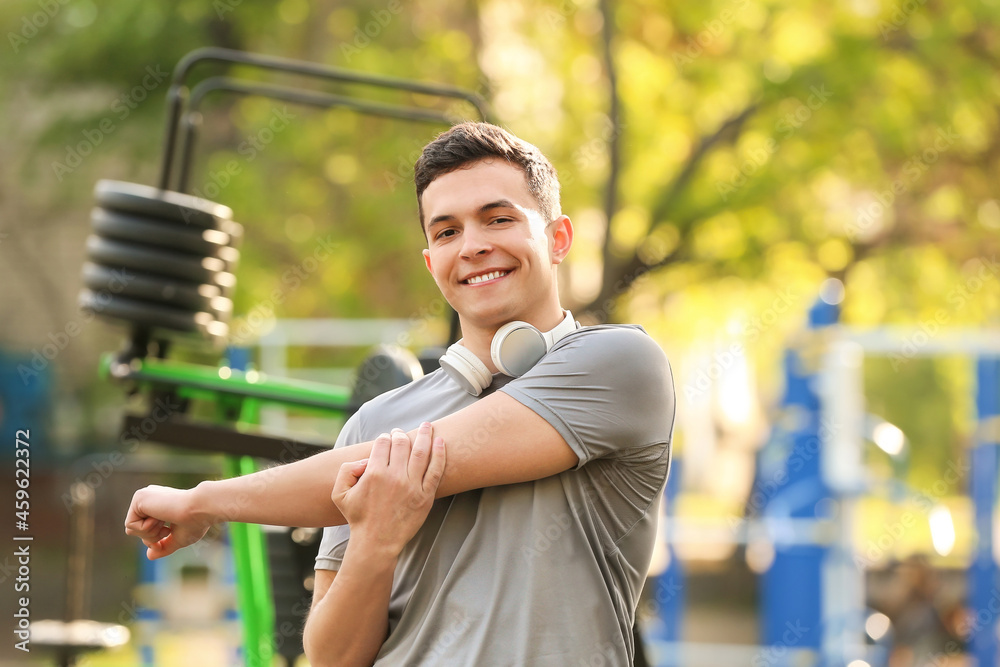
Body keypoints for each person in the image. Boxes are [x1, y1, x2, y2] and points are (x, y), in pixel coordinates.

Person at [125, 122, 675, 666]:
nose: (474, 246)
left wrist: (202, 502)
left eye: (498, 219)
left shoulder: (621, 363)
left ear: (558, 239)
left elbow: (417, 458)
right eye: (447, 232)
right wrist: (375, 542)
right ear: (430, 260)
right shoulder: (373, 422)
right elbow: (332, 660)